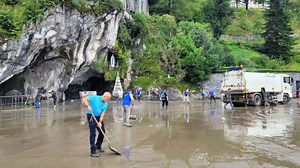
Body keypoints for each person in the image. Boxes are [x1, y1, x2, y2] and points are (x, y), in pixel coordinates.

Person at [81, 92, 112, 157]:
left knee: (102, 131)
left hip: (98, 117)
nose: (108, 100)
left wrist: (100, 122)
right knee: (93, 133)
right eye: (108, 99)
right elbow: (84, 99)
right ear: (105, 96)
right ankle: (93, 151)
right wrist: (88, 105)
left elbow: (103, 113)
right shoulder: (95, 98)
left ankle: (98, 145)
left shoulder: (106, 103)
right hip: (91, 116)